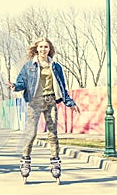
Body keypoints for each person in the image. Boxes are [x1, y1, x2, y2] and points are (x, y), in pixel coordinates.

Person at [9, 37, 80, 179]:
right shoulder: (29, 66)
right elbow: (21, 83)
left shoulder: (56, 66)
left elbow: (62, 87)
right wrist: (15, 86)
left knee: (53, 134)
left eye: (46, 47)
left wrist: (70, 103)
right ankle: (25, 161)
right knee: (31, 133)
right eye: (41, 47)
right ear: (37, 49)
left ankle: (55, 162)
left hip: (50, 101)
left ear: (49, 49)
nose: (43, 49)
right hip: (34, 102)